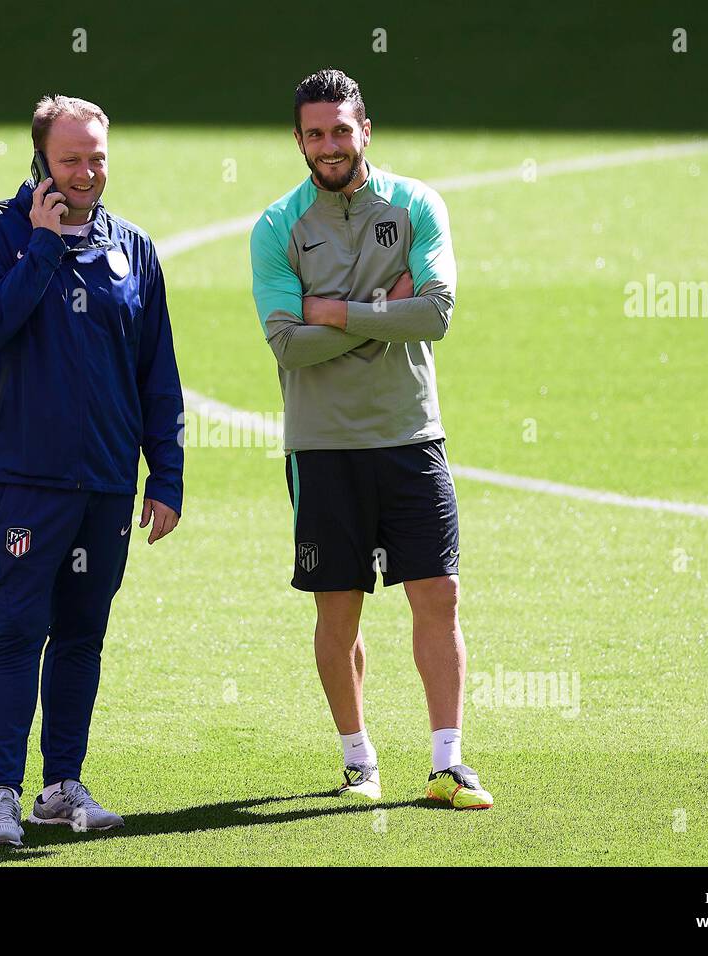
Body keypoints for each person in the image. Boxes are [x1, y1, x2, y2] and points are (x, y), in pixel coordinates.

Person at [249, 69, 492, 809]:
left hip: (410, 435)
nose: (329, 146)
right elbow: (287, 346)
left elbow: (437, 313)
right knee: (337, 608)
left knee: (439, 593)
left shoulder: (416, 204)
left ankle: (448, 761)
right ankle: (359, 759)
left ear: (366, 130)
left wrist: (335, 312)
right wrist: (384, 308)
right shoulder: (275, 227)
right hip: (322, 448)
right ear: (298, 140)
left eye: (341, 131)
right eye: (315, 134)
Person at [0, 94, 184, 846]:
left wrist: (167, 476)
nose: (87, 173)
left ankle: (62, 786)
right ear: (40, 161)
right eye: (71, 159)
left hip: (107, 483)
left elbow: (158, 373)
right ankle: (0, 797)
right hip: (22, 477)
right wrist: (44, 247)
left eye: (98, 158)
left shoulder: (133, 248)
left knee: (82, 633)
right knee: (17, 631)